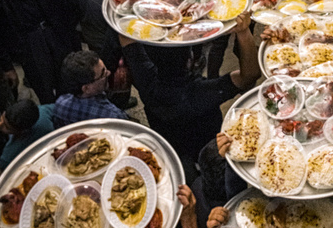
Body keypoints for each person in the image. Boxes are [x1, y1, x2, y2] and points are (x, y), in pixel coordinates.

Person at [118, 11, 259, 172]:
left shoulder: (145, 77)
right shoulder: (201, 93)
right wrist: (243, 32)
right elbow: (250, 75)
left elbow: (125, 35)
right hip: (206, 148)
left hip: (170, 146)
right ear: (190, 60)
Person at [52, 50, 127, 125]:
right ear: (86, 88)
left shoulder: (60, 104)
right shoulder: (113, 116)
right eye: (103, 74)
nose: (109, 73)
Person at [0, 99, 55, 170]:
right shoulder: (43, 111)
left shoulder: (9, 155)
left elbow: (1, 167)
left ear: (21, 132)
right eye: (2, 118)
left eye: (6, 127)